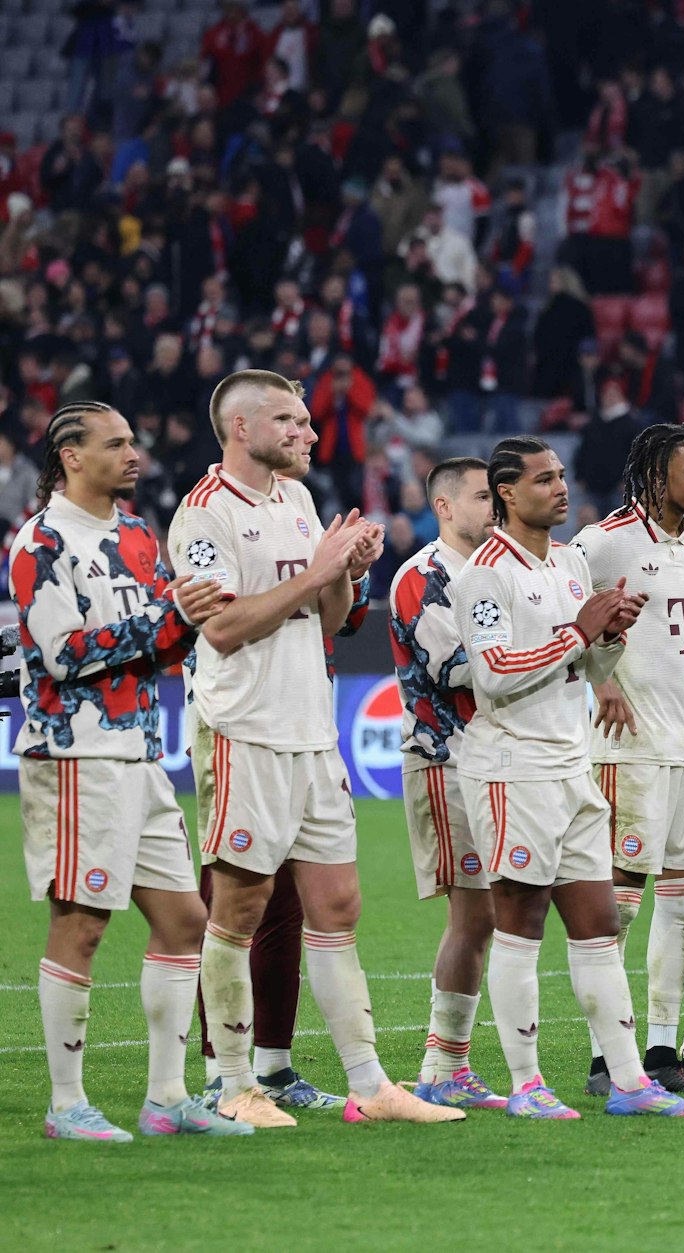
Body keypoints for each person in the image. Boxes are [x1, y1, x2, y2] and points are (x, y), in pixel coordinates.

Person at [170, 370, 459, 1127]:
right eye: (290, 422)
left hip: (312, 731)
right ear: (241, 428)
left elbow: (331, 620)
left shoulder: (296, 500)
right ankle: (231, 1084)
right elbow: (224, 628)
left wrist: (347, 572)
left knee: (337, 904)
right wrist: (322, 568)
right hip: (245, 733)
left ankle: (369, 1083)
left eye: (306, 421)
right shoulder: (204, 516)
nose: (308, 433)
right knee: (237, 905)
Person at [450, 436, 684, 1119]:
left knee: (598, 924)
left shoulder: (568, 562)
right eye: (543, 479)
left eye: (562, 475)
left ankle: (629, 1083)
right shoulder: (484, 574)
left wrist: (609, 636)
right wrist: (578, 632)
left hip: (572, 765)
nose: (560, 488)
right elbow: (494, 673)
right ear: (506, 492)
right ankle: (528, 1085)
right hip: (513, 770)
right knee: (520, 924)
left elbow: (585, 674)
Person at [13, 401, 249, 1142]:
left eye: (132, 440)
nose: (132, 453)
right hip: (77, 754)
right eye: (114, 443)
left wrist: (186, 618)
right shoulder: (41, 541)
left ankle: (166, 1098)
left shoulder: (140, 536)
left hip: (144, 756)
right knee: (80, 926)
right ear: (71, 456)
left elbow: (160, 644)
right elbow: (62, 653)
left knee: (185, 921)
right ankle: (65, 1104)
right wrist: (165, 617)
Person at [573, 425, 684, 1098]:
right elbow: (568, 617)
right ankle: (604, 1055)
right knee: (618, 905)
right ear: (656, 475)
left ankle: (663, 1049)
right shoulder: (604, 541)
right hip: (630, 744)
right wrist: (598, 677)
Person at [387, 457, 507, 1110]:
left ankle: (450, 1062)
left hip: (498, 760)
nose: (495, 506)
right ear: (444, 506)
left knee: (497, 911)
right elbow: (454, 668)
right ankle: (442, 1063)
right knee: (476, 912)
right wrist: (548, 648)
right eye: (483, 496)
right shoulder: (423, 577)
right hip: (445, 759)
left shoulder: (500, 570)